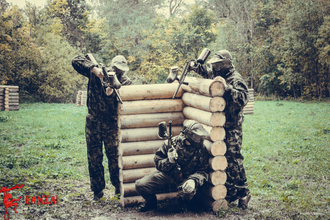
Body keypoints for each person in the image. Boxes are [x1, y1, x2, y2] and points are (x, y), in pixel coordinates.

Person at [191, 49, 251, 209]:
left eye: (218, 65)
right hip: (219, 125)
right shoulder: (218, 74)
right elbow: (207, 72)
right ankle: (230, 193)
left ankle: (244, 193)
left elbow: (243, 99)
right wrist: (195, 66)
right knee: (221, 158)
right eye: (214, 65)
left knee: (234, 159)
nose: (215, 68)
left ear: (225, 63)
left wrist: (227, 88)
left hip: (232, 126)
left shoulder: (235, 79)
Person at [72, 54, 132, 200]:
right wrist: (93, 69)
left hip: (111, 124)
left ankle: (119, 188)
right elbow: (75, 60)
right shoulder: (97, 73)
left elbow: (130, 100)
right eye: (116, 69)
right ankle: (97, 191)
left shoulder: (126, 82)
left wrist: (113, 92)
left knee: (115, 158)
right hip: (93, 121)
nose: (118, 72)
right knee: (94, 157)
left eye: (121, 70)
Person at [135, 120, 210, 212]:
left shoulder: (201, 149)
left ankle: (183, 204)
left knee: (188, 192)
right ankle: (151, 203)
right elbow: (158, 164)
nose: (199, 139)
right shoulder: (171, 143)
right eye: (196, 136)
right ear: (188, 135)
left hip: (186, 178)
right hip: (167, 175)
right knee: (141, 185)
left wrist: (193, 180)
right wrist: (169, 161)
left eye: (200, 137)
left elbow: (203, 171)